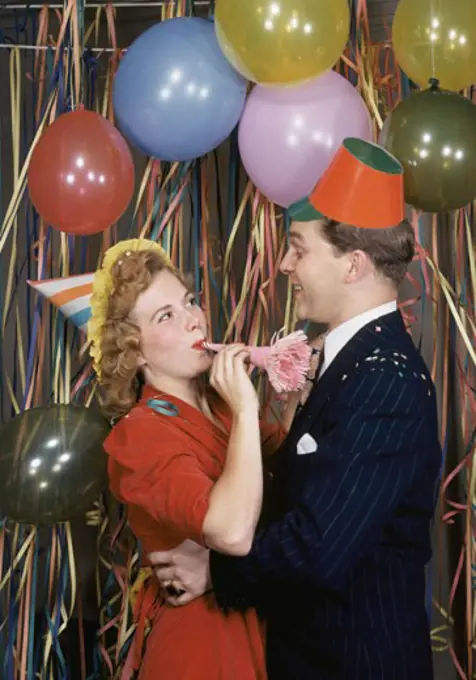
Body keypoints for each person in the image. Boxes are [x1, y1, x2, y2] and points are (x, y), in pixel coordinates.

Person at [148, 139, 442, 680]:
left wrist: (211, 570)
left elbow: (318, 545)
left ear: (352, 265)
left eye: (299, 249)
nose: (283, 265)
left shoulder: (383, 381)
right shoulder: (349, 360)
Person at [87, 238, 284, 679]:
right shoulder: (141, 433)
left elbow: (304, 492)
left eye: (189, 302)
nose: (194, 320)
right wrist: (249, 409)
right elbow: (232, 532)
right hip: (204, 652)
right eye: (167, 316)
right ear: (134, 350)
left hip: (268, 633)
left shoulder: (221, 410)